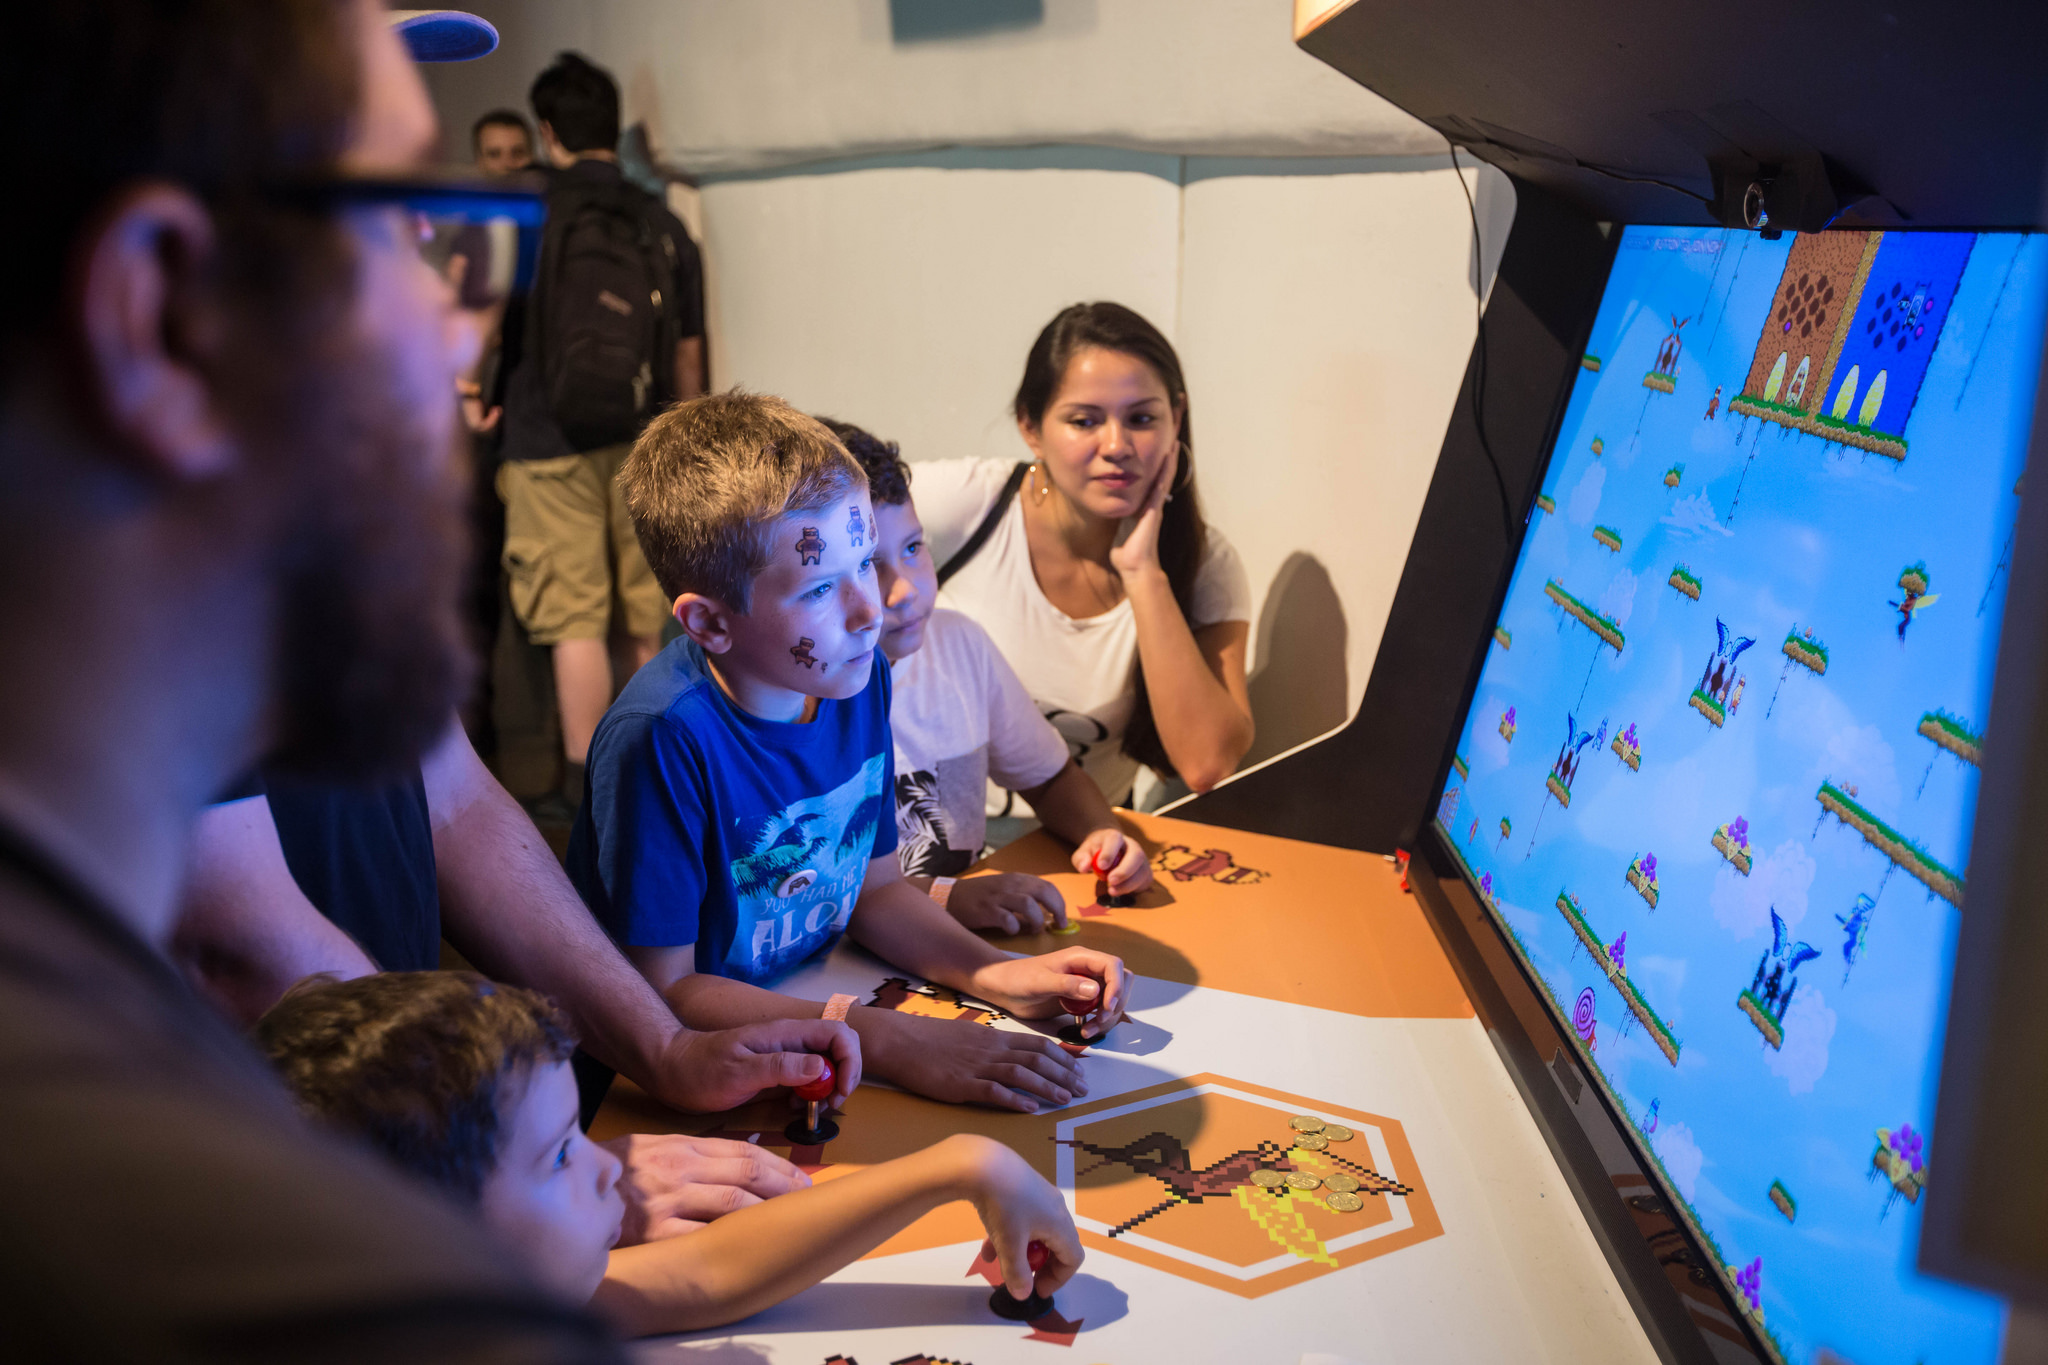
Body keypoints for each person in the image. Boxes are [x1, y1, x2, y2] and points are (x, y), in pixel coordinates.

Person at [0, 0, 624, 1357]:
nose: (460, 328)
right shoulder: (345, 1308)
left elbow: (456, 797)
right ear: (164, 315)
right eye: (396, 226)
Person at [569, 393, 1134, 1117]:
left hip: (812, 996)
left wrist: (996, 973)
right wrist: (892, 1039)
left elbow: (875, 891)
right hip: (644, 1090)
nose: (870, 610)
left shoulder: (855, 678)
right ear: (709, 622)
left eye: (863, 562)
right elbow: (665, 991)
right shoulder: (662, 738)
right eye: (818, 588)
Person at [258, 971, 1083, 1336]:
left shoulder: (472, 1305)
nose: (609, 1163)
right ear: (421, 1241)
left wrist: (961, 1164)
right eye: (558, 1157)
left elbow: (706, 1274)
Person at [915, 302, 1256, 806]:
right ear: (1031, 427)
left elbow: (1206, 764)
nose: (1116, 445)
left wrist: (1143, 573)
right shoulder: (966, 505)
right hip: (936, 839)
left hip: (1094, 841)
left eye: (1141, 418)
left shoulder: (1206, 563)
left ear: (1177, 419)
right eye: (1084, 421)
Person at [821, 417, 1152, 934]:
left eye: (913, 548)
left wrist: (1100, 833)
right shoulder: (795, 693)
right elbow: (819, 891)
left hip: (957, 943)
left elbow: (1052, 779)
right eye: (867, 564)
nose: (905, 590)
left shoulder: (959, 645)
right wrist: (946, 897)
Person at [498, 51, 708, 815]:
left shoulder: (529, 211)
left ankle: (592, 788)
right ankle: (652, 775)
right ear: (613, 131)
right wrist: (687, 441)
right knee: (643, 618)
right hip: (643, 440)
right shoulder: (661, 222)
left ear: (547, 132)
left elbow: (493, 316)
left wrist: (475, 391)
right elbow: (687, 349)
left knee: (574, 620)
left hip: (545, 440)